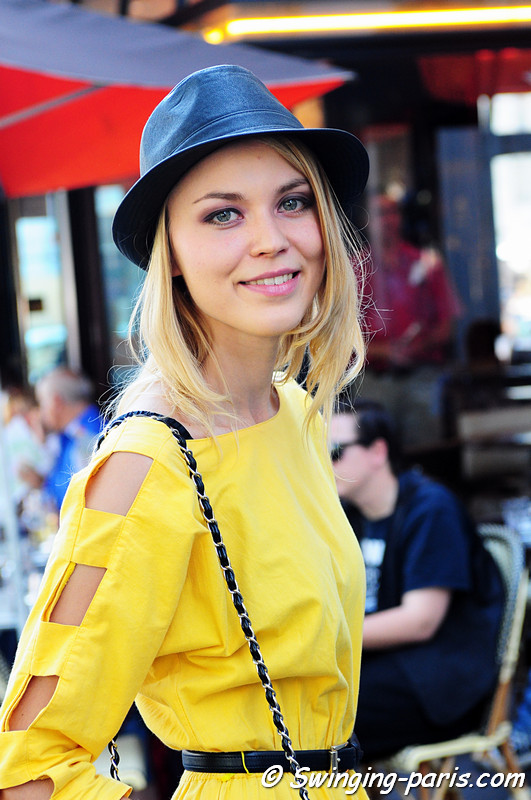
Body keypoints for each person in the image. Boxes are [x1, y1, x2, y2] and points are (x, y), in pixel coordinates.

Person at [0, 65, 371, 800]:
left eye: (292, 201)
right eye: (223, 214)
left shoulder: (293, 411)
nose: (270, 240)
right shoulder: (150, 462)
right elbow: (28, 764)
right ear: (168, 254)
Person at [330, 398, 504, 761]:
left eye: (335, 452)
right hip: (390, 667)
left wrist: (325, 638)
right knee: (303, 702)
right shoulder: (348, 516)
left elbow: (420, 620)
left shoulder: (431, 508)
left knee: (318, 715)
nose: (325, 464)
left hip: (440, 684)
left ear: (377, 452)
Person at [359, 193, 460, 447]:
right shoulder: (354, 269)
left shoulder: (427, 264)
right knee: (371, 452)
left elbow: (446, 325)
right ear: (367, 221)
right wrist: (385, 352)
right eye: (379, 214)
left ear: (401, 218)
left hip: (422, 377)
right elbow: (339, 337)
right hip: (373, 380)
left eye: (392, 212)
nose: (387, 220)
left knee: (426, 450)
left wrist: (415, 348)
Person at [34, 367, 104, 512]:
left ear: (56, 402)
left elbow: (81, 503)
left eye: (41, 403)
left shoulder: (87, 438)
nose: (40, 412)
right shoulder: (68, 434)